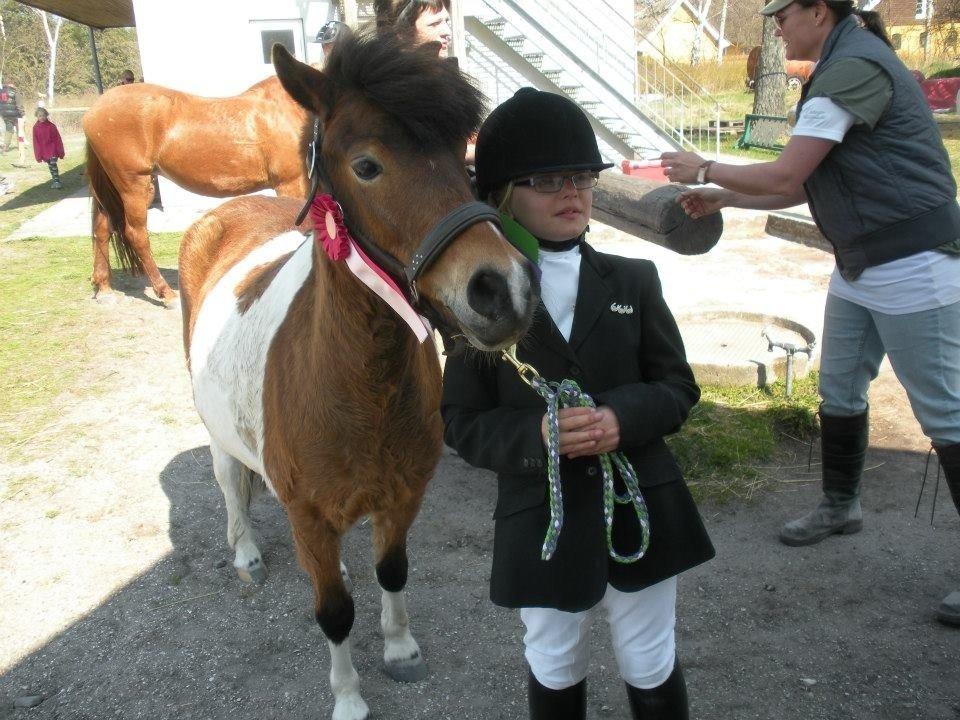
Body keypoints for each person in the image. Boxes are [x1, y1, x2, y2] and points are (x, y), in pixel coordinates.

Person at [662, 0, 960, 627]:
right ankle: (840, 505)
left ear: (819, 12)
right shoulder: (839, 65)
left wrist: (705, 166)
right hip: (861, 263)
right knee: (840, 389)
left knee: (946, 414)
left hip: (914, 265)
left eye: (783, 14)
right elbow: (806, 182)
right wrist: (723, 196)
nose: (776, 26)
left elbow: (787, 173)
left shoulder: (854, 68)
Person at [442, 88, 715, 719]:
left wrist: (622, 417)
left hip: (642, 506)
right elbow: (462, 423)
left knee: (650, 656)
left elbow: (678, 387)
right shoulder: (479, 299)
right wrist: (537, 435)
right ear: (502, 194)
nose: (572, 193)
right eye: (547, 180)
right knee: (554, 658)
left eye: (583, 178)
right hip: (542, 520)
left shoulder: (634, 280)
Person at [374, 0, 451, 57]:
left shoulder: (446, 71)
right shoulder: (390, 73)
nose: (447, 32)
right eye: (434, 24)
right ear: (402, 33)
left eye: (447, 22)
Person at [32, 107, 64, 190]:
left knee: (53, 163)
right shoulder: (36, 128)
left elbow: (57, 139)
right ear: (37, 116)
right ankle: (54, 180)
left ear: (46, 115)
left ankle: (57, 182)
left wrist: (60, 151)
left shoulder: (51, 126)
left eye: (43, 115)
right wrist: (38, 155)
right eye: (40, 116)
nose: (42, 117)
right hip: (44, 150)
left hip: (52, 149)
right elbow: (36, 142)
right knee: (50, 165)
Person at [0, 81, 24, 154]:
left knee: (9, 130)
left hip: (5, 114)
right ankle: (20, 146)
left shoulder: (2, 92)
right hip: (16, 114)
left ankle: (5, 148)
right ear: (13, 85)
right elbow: (19, 105)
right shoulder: (15, 92)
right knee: (20, 130)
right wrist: (23, 114)